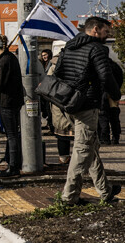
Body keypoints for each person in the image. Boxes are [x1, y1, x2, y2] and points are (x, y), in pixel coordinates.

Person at [55, 17, 122, 205]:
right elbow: (105, 75)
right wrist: (116, 94)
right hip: (87, 104)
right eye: (106, 31)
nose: (108, 35)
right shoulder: (97, 49)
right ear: (95, 29)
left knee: (90, 146)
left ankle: (105, 190)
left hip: (69, 103)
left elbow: (58, 72)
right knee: (82, 149)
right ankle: (69, 197)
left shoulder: (69, 46)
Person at [0, 34, 24, 178]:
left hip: (6, 101)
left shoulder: (3, 62)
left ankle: (13, 166)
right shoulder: (11, 58)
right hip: (15, 100)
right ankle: (13, 162)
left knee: (11, 135)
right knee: (13, 133)